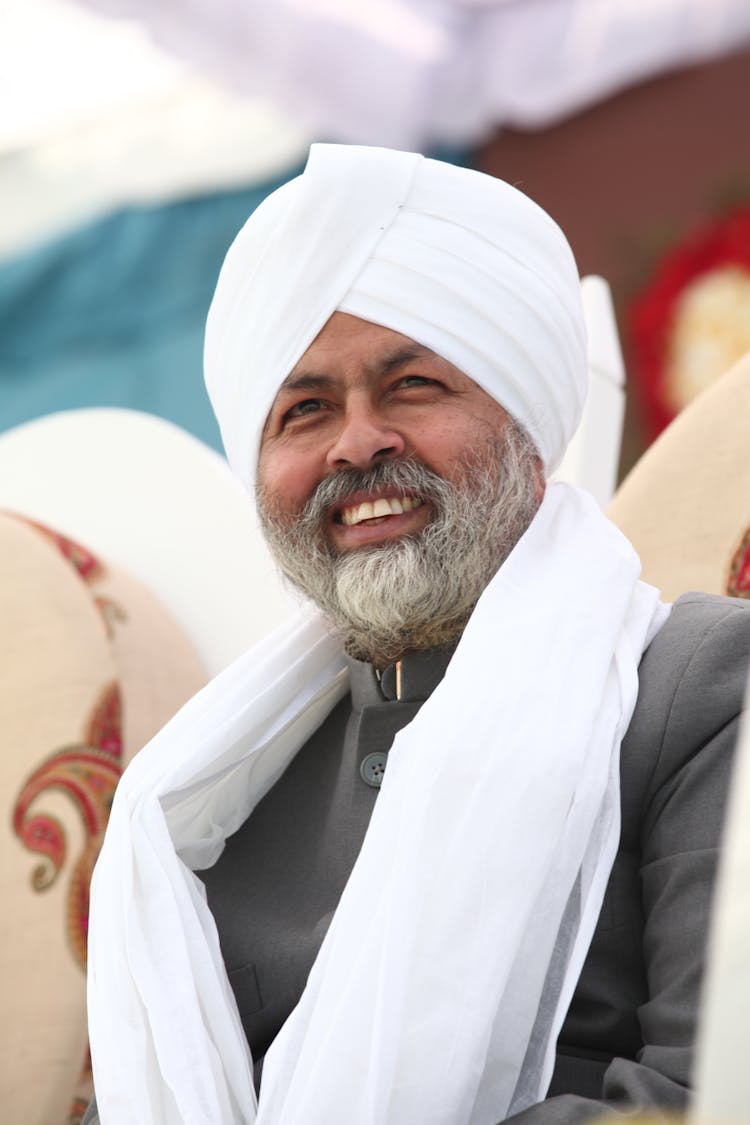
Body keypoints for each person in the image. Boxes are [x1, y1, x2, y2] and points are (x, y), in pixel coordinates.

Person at [83, 145, 750, 1125]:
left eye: (412, 386)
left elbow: (709, 1091)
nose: (358, 441)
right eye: (305, 409)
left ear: (525, 423)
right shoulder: (210, 796)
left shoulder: (695, 687)